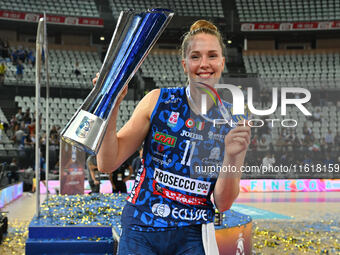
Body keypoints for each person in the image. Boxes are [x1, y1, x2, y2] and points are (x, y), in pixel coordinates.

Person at [95, 20, 251, 254]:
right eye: (196, 56)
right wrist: (111, 107)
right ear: (184, 63)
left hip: (193, 234)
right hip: (141, 227)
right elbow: (107, 163)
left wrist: (230, 156)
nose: (204, 64)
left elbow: (223, 203)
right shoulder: (157, 101)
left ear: (222, 62)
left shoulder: (233, 119)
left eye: (212, 56)